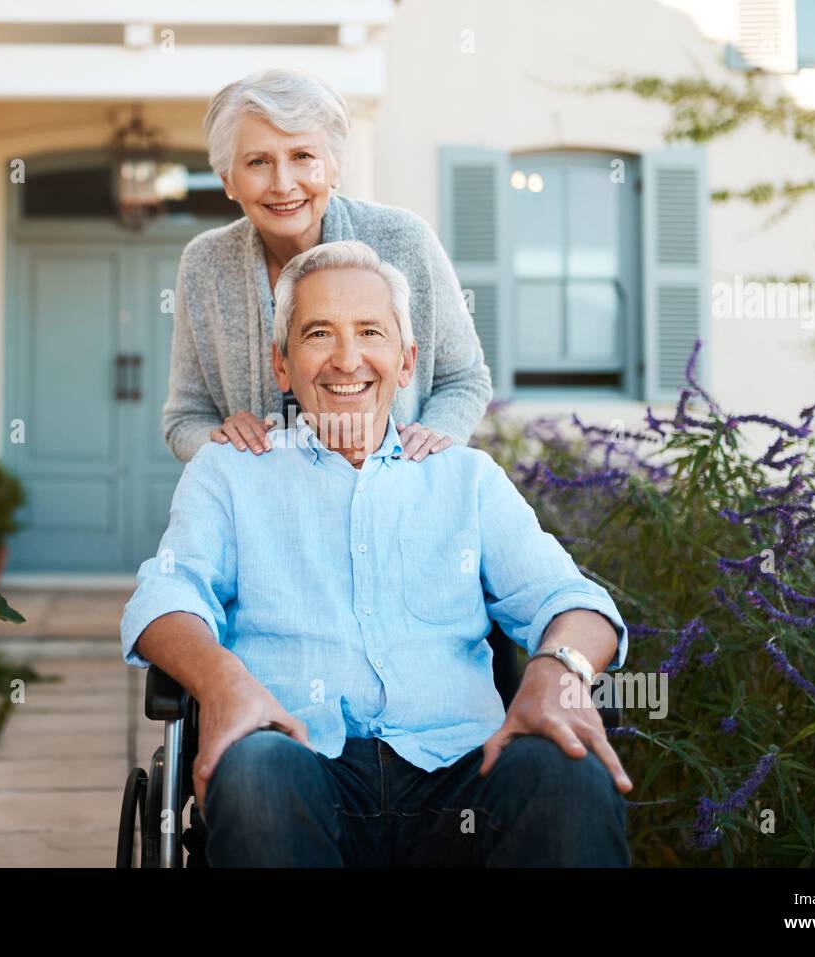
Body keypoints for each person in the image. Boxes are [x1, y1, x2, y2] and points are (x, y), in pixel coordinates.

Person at [121, 240, 633, 867]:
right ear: (282, 365)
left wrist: (558, 669)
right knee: (254, 766)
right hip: (300, 764)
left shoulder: (464, 478)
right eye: (317, 333)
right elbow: (168, 597)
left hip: (464, 775)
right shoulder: (230, 473)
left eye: (370, 331)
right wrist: (224, 684)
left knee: (566, 767)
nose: (346, 358)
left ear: (407, 360)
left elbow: (573, 601)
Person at [163, 66, 493, 464]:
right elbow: (185, 418)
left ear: (335, 166)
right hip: (271, 511)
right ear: (228, 180)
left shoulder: (405, 240)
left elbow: (465, 378)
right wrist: (222, 443)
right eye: (257, 162)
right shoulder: (206, 263)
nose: (283, 183)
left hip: (390, 494)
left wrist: (430, 442)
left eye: (303, 156)